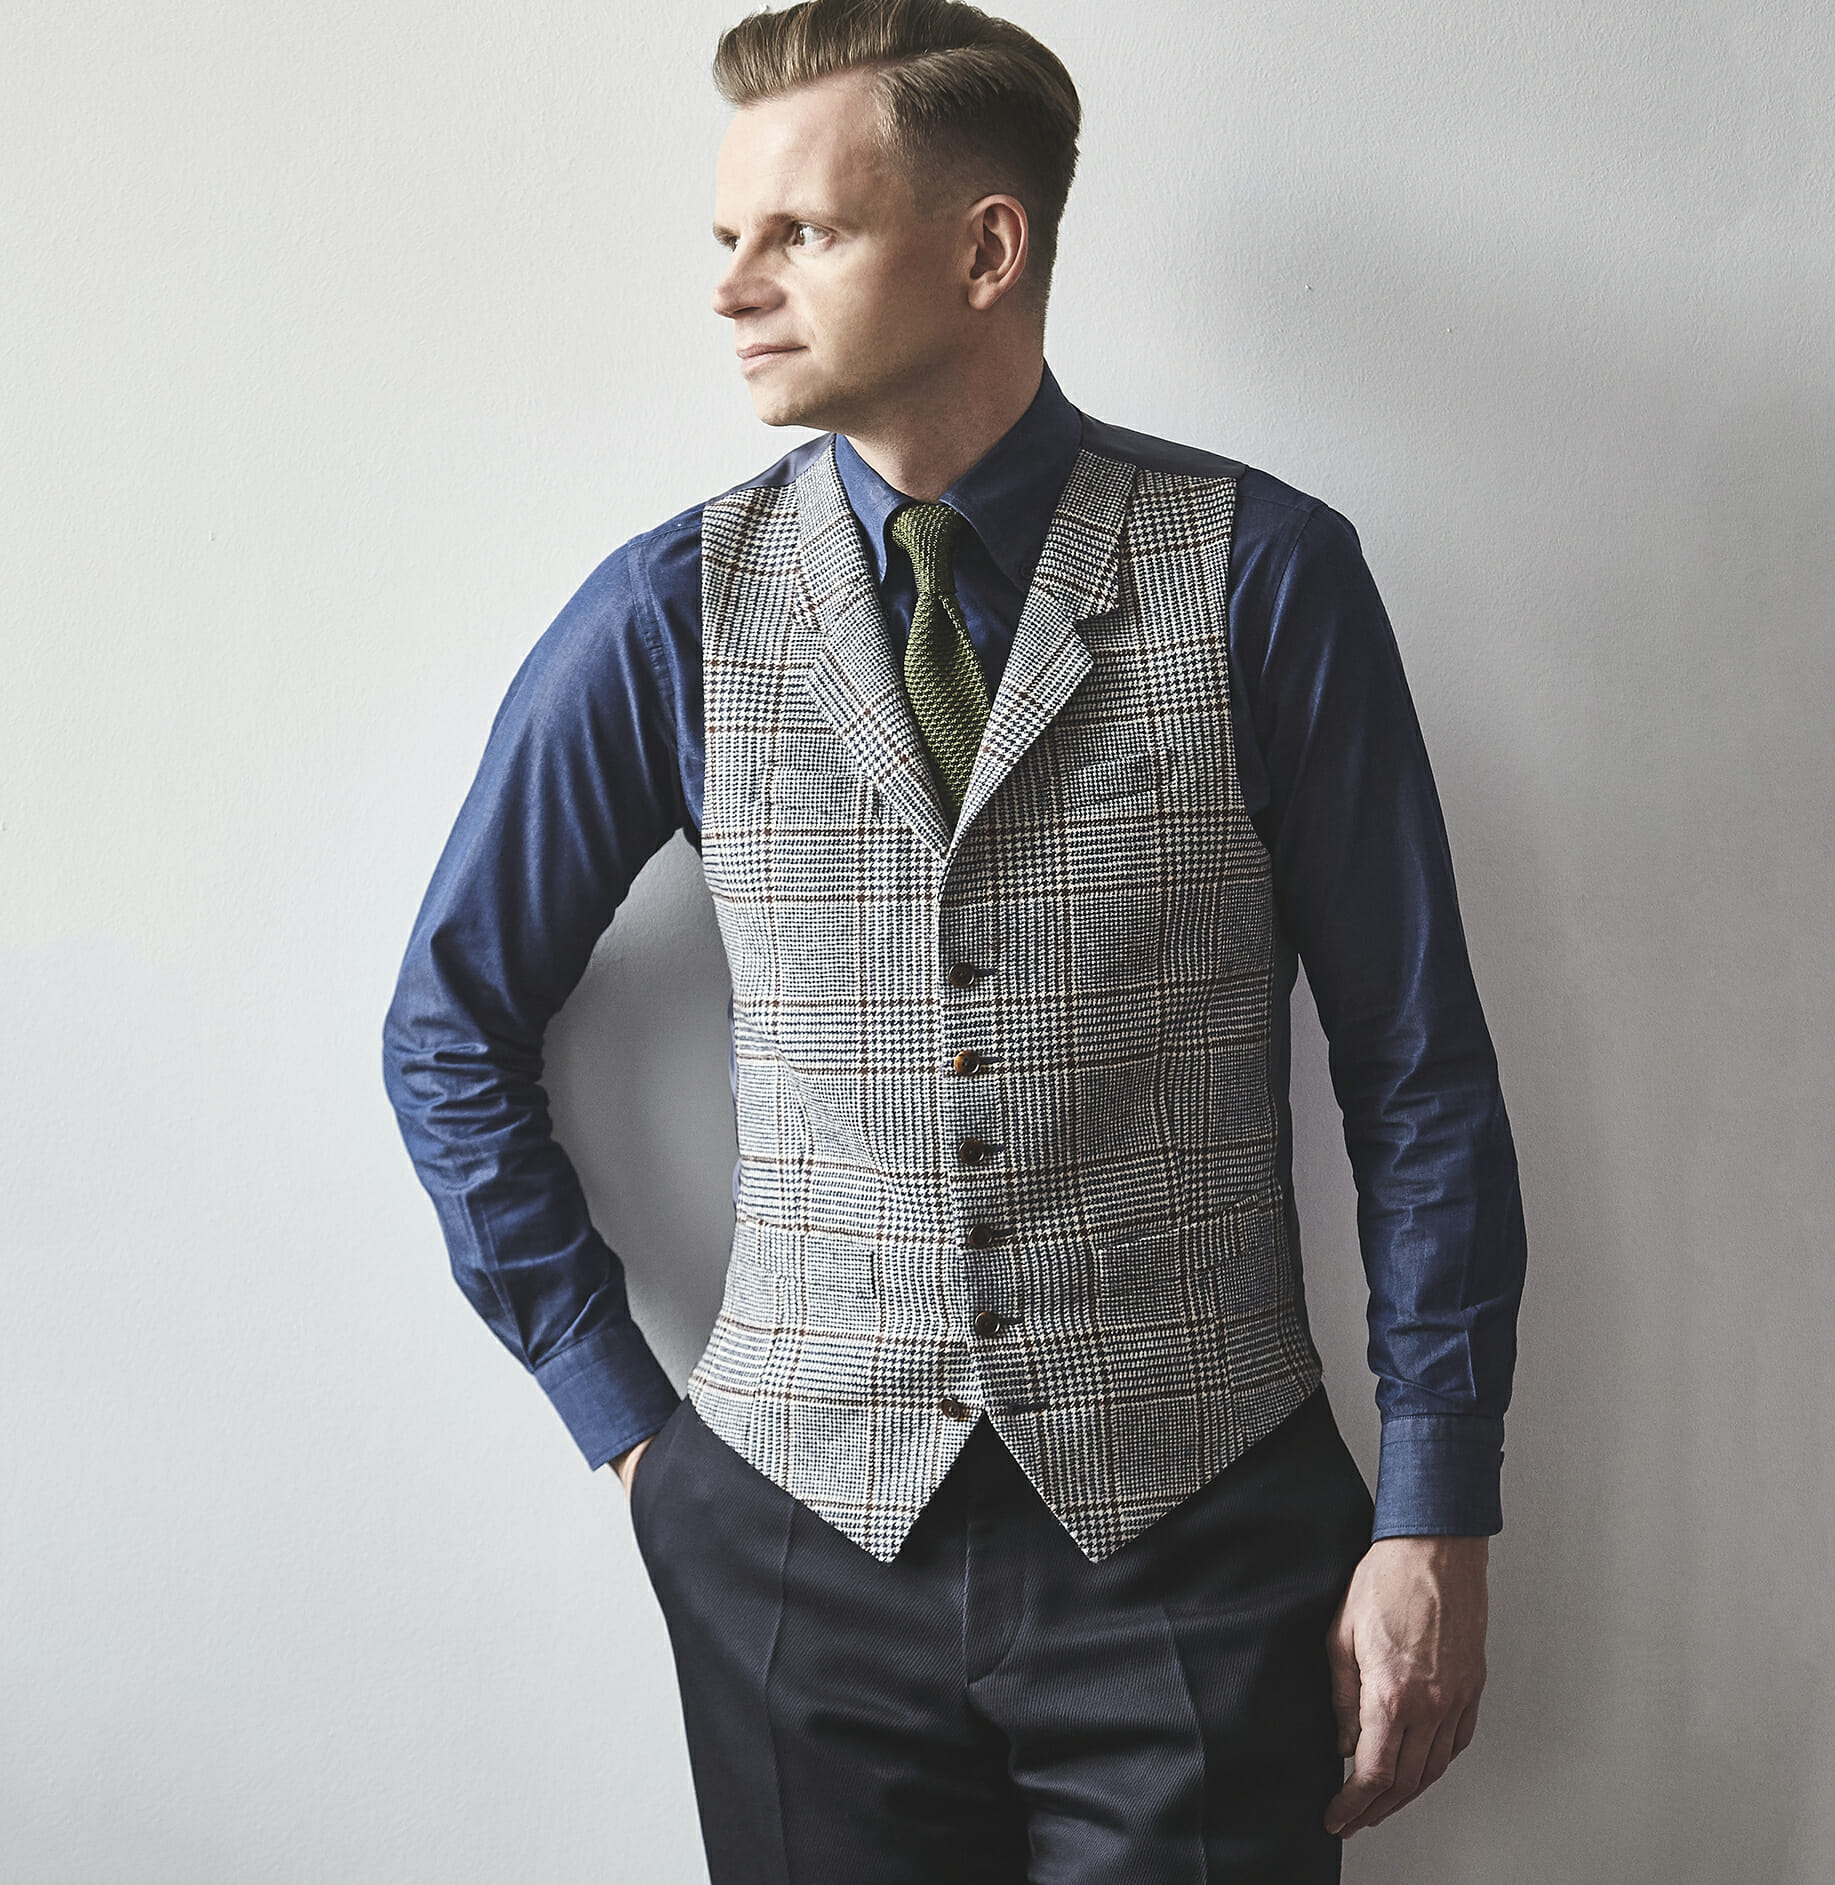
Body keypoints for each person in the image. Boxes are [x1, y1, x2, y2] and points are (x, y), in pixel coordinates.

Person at [382, 1, 1527, 1876]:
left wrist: (1438, 1508)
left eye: (801, 232)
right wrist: (641, 1440)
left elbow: (1418, 1072)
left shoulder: (1263, 576)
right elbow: (447, 1025)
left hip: (1204, 1541)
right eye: (727, 236)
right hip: (791, 1554)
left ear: (988, 249)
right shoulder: (669, 612)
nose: (733, 285)